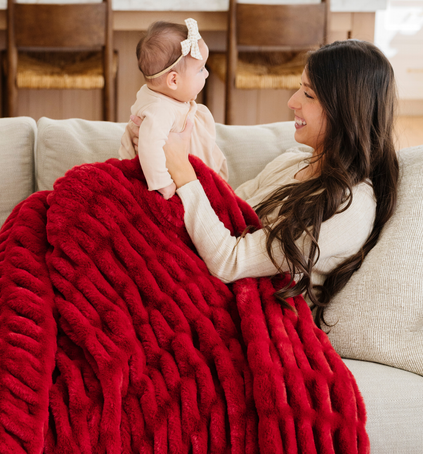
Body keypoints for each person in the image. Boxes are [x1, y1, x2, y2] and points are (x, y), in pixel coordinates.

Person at [131, 39, 399, 327]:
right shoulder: (295, 161)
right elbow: (228, 209)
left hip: (233, 317)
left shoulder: (349, 205)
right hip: (195, 279)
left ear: (345, 111)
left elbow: (229, 261)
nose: (292, 101)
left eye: (308, 95)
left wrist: (182, 169)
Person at [119, 18, 227, 199]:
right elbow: (149, 146)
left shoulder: (164, 97)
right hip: (165, 185)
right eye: (201, 69)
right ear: (174, 80)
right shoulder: (159, 110)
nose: (207, 73)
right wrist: (163, 184)